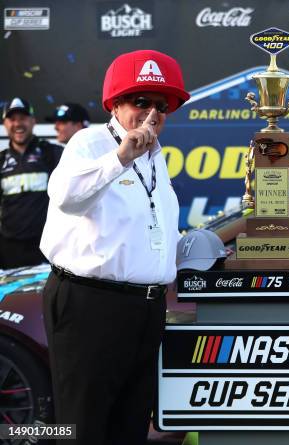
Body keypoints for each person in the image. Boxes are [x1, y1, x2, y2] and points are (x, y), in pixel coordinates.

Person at [40, 49, 190, 445]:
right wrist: (120, 158)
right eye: (141, 102)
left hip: (144, 308)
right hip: (91, 304)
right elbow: (65, 196)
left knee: (129, 423)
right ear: (116, 103)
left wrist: (191, 247)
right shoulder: (90, 142)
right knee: (83, 426)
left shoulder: (157, 158)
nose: (152, 114)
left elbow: (149, 228)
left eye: (162, 105)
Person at [0, 97, 63, 269]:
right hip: (9, 249)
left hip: (47, 246)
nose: (18, 124)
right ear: (5, 123)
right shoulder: (1, 159)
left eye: (23, 118)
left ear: (33, 121)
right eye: (12, 119)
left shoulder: (52, 153)